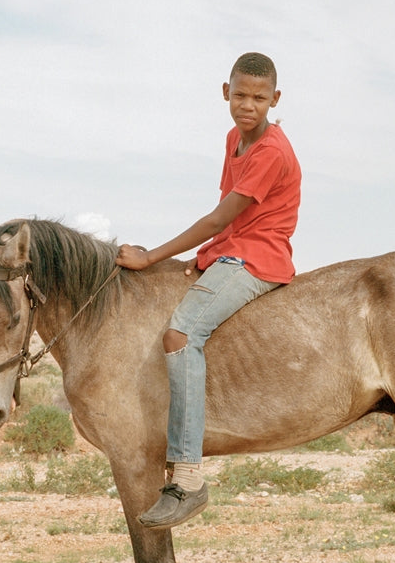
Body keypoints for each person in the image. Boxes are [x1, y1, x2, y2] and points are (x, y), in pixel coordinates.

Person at [116, 52, 302, 528]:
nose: (248, 105)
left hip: (259, 257)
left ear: (275, 99)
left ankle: (188, 477)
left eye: (260, 98)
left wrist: (150, 257)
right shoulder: (234, 140)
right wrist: (205, 257)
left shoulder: (271, 152)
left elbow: (220, 218)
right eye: (240, 95)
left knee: (180, 335)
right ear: (226, 92)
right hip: (234, 248)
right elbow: (229, 214)